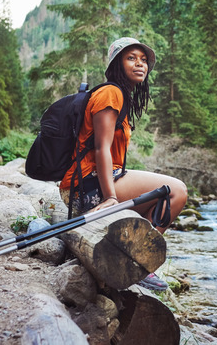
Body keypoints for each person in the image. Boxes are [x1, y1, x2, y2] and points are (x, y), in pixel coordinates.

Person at [58, 37, 188, 291]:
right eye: (131, 58)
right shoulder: (111, 92)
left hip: (90, 184)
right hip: (89, 188)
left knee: (166, 192)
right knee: (177, 191)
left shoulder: (120, 96)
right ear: (117, 64)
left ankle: (131, 259)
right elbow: (101, 148)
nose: (140, 64)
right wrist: (110, 198)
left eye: (143, 60)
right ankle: (140, 261)